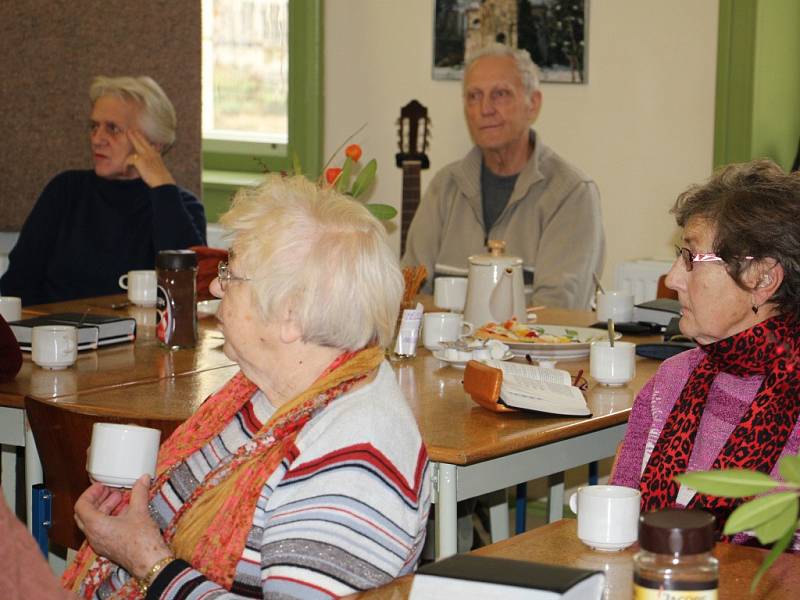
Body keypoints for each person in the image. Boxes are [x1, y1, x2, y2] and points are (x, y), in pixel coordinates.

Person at [64, 175, 431, 598]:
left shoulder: (357, 459)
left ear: (291, 316)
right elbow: (201, 503)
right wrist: (137, 501)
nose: (217, 286)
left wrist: (146, 561)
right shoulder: (269, 393)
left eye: (231, 274)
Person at [612, 160, 800, 550]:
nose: (673, 278)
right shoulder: (672, 381)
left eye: (691, 259)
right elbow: (621, 528)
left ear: (762, 278)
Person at [402, 43, 604, 310]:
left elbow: (557, 311)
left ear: (533, 104)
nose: (485, 108)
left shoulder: (572, 193)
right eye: (474, 96)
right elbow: (409, 292)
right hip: (443, 353)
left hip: (533, 352)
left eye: (500, 94)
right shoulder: (445, 186)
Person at [0, 75, 206, 306]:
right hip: (57, 335)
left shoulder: (182, 207)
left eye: (113, 128)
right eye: (94, 127)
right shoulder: (66, 191)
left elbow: (190, 292)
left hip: (139, 339)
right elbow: (17, 283)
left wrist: (162, 186)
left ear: (153, 144)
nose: (97, 139)